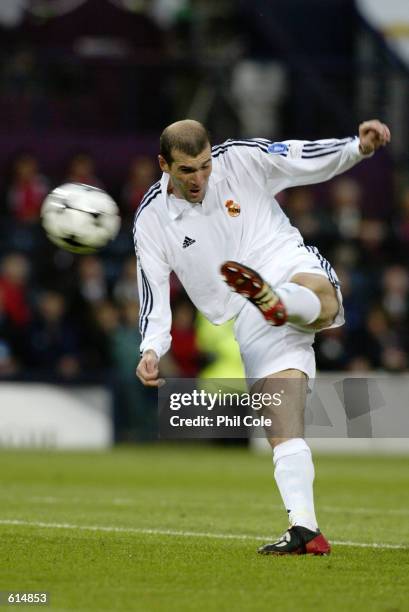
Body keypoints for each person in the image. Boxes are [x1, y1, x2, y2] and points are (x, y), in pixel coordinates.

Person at [133, 118, 390, 555]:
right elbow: (152, 289)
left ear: (212, 153)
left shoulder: (241, 159)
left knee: (320, 297)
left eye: (203, 165)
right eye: (186, 170)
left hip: (283, 261)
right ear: (164, 165)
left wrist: (356, 147)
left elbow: (302, 159)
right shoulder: (152, 218)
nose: (199, 178)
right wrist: (151, 349)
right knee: (282, 422)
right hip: (245, 310)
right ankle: (306, 530)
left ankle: (284, 303)